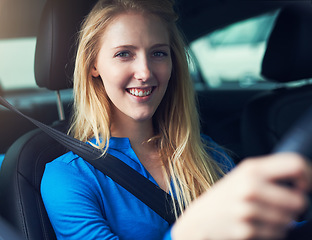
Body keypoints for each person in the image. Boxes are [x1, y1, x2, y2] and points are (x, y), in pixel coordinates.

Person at [41, 0, 311, 239]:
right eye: (124, 54)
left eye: (158, 53)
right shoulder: (68, 177)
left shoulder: (208, 154)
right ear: (93, 65)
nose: (145, 72)